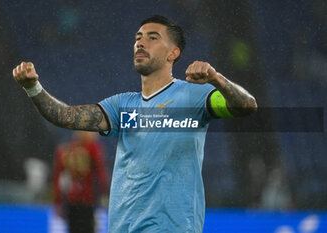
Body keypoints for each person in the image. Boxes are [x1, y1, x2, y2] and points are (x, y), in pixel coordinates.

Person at [13, 15, 257, 233]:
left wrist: (217, 79)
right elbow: (64, 116)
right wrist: (33, 87)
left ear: (173, 53)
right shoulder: (122, 106)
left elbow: (247, 105)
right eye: (138, 37)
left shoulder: (194, 95)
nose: (141, 42)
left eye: (152, 38)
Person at [53, 131, 108, 233]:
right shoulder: (92, 148)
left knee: (74, 229)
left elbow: (58, 179)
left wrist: (58, 201)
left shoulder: (66, 149)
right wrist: (104, 194)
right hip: (87, 200)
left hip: (72, 200)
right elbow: (101, 174)